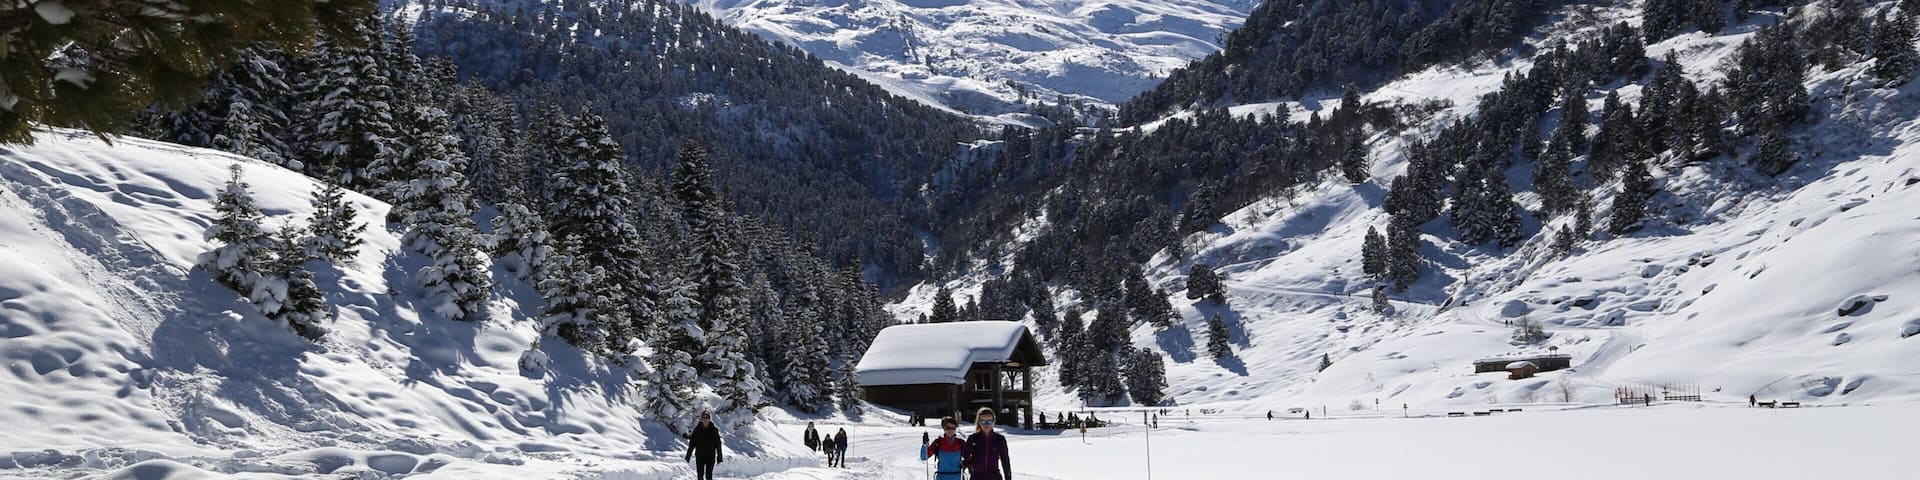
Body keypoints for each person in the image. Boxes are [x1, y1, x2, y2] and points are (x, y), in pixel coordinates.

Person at [963, 407, 1012, 480]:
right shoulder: (973, 438)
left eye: (989, 421)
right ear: (979, 422)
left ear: (993, 421)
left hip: (994, 476)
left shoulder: (999, 439)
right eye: (983, 421)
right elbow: (965, 457)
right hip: (977, 476)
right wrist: (969, 465)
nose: (986, 424)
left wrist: (1008, 477)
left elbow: (1005, 461)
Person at [685, 412, 723, 480]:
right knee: (700, 476)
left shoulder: (714, 430)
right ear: (701, 419)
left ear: (709, 419)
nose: (705, 419)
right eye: (703, 418)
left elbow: (718, 444)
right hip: (700, 456)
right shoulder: (697, 430)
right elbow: (692, 444)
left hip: (710, 456)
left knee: (709, 476)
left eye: (707, 418)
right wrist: (688, 456)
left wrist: (719, 457)